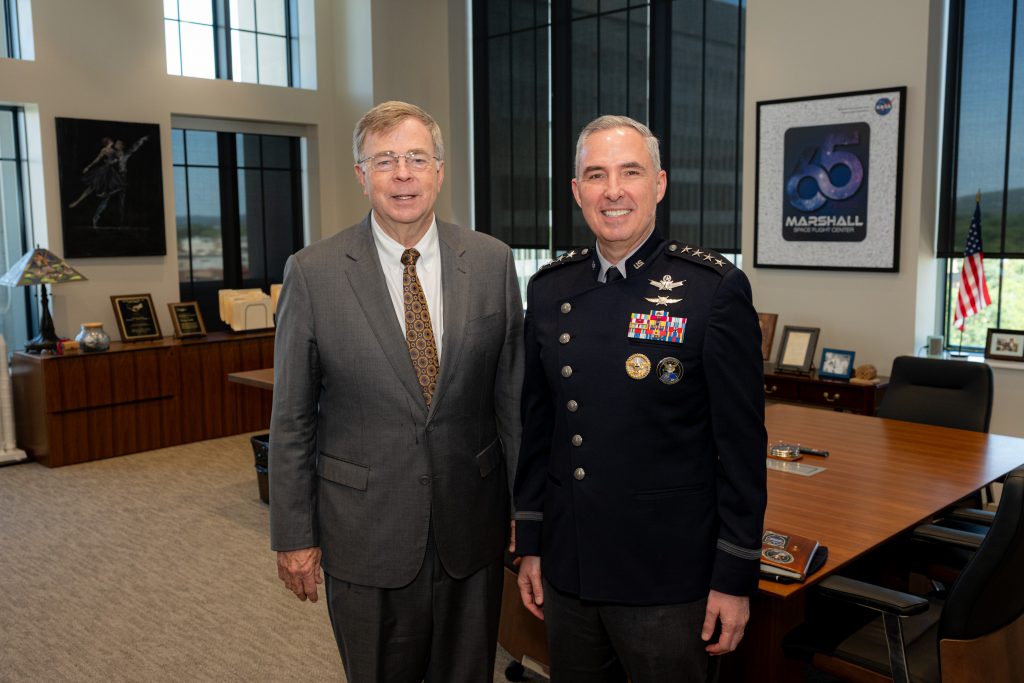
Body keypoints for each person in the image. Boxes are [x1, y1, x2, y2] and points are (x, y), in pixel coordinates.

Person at [269, 100, 524, 683]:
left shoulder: (491, 262)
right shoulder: (313, 273)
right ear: (362, 177)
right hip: (365, 529)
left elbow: (512, 401)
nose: (402, 174)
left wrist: (523, 508)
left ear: (440, 170)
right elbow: (292, 419)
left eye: (416, 158)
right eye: (384, 160)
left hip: (473, 524)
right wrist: (294, 534)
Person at [513, 115, 767, 682]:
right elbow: (540, 427)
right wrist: (530, 541)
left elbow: (743, 448)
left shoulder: (712, 289)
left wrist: (734, 576)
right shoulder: (551, 289)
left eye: (630, 172)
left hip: (667, 578)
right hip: (570, 567)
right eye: (596, 175)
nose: (613, 190)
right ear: (577, 192)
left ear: (659, 183)